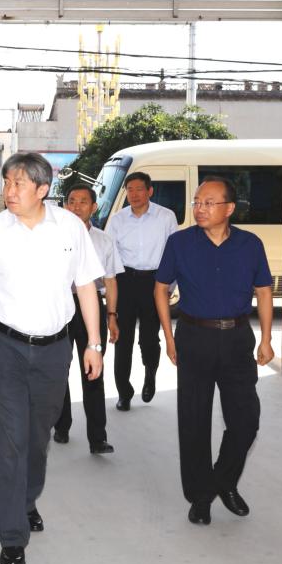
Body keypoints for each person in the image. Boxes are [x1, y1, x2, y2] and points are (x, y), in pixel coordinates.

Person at [0, 152, 104, 564]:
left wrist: (94, 344)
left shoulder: (70, 227)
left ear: (42, 189)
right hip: (4, 347)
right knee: (11, 441)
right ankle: (12, 535)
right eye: (7, 182)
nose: (9, 190)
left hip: (54, 350)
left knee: (37, 438)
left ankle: (26, 500)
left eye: (18, 183)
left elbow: (86, 286)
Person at [153, 176, 274, 526]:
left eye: (208, 202)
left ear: (229, 208)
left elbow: (264, 291)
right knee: (194, 421)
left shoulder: (250, 244)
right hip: (194, 336)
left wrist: (267, 338)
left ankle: (222, 480)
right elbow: (161, 289)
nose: (199, 208)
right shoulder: (179, 243)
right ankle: (200, 497)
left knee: (246, 420)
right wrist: (169, 337)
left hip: (237, 339)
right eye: (197, 202)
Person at [51, 184, 122, 454]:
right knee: (59, 368)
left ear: (94, 207)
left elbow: (111, 281)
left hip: (91, 308)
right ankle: (61, 425)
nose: (76, 206)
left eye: (83, 201)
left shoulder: (104, 240)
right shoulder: (52, 237)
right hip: (61, 306)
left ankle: (97, 437)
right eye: (71, 201)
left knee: (93, 371)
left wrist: (112, 316)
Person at [104, 171, 177, 410]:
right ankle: (124, 392)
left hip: (154, 283)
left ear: (150, 191)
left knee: (149, 338)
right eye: (130, 190)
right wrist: (112, 288)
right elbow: (110, 255)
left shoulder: (166, 217)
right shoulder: (117, 220)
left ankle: (150, 375)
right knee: (122, 340)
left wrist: (168, 287)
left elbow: (174, 254)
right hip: (125, 281)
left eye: (139, 189)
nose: (134, 194)